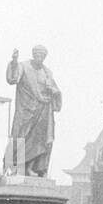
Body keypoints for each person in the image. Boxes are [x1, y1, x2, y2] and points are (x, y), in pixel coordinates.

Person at [5, 45, 62, 177]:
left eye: (42, 56)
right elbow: (12, 79)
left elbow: (55, 90)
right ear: (33, 54)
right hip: (25, 111)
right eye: (37, 55)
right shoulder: (23, 66)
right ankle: (16, 167)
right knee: (20, 137)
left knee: (39, 141)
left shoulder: (47, 72)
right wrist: (13, 62)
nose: (39, 58)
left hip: (43, 112)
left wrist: (54, 92)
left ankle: (32, 168)